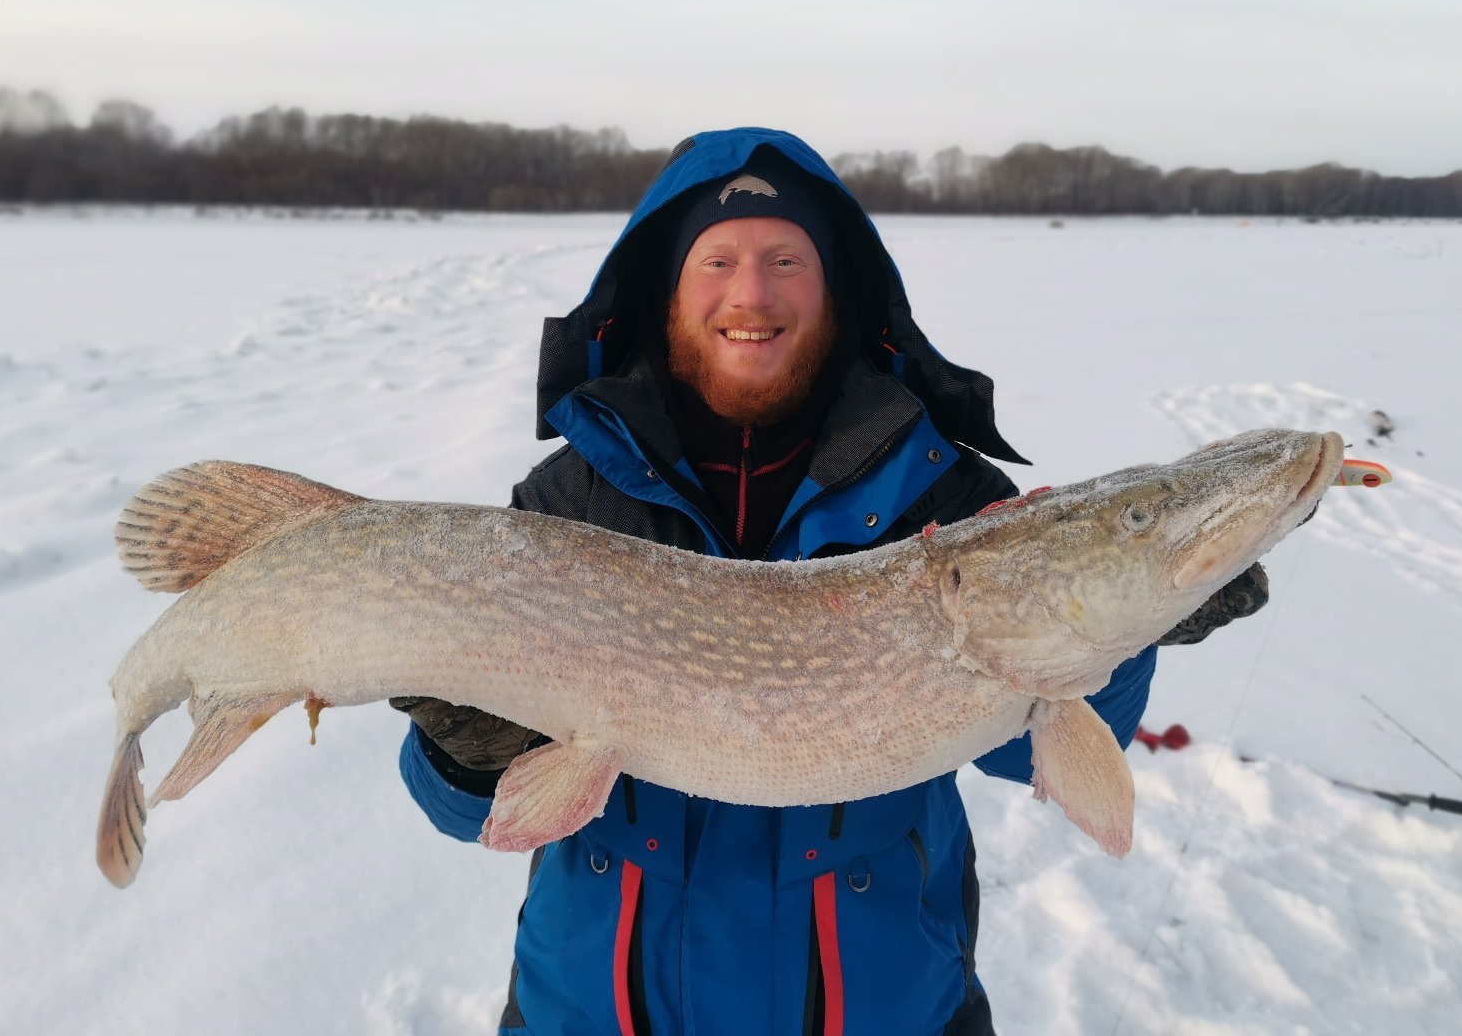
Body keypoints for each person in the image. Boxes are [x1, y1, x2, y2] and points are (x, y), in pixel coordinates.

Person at [392, 127, 1267, 1036]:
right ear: (666, 291)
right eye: (717, 259)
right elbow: (467, 811)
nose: (752, 292)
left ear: (836, 289)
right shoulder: (569, 501)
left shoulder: (948, 496)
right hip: (593, 1012)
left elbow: (1032, 746)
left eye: (786, 259)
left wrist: (1121, 631)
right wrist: (465, 749)